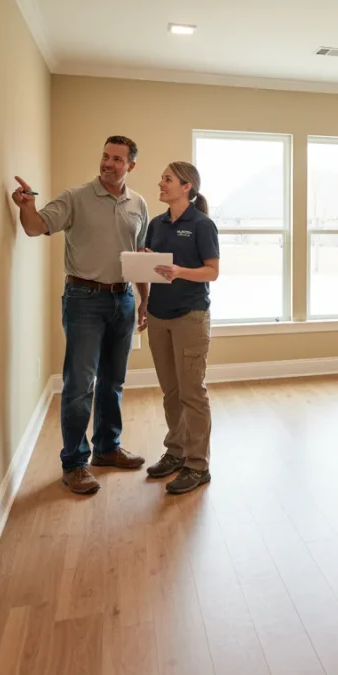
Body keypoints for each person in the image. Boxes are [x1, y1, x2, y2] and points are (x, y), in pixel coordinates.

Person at [12, 136, 149, 494]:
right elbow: (35, 226)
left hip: (123, 302)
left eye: (117, 159)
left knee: (113, 381)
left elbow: (139, 258)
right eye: (105, 156)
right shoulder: (75, 197)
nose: (108, 163)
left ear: (130, 166)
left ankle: (107, 448)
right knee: (78, 385)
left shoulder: (139, 204)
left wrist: (144, 300)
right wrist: (27, 205)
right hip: (84, 298)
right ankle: (74, 463)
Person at [144, 162, 220, 495]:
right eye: (162, 178)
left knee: (192, 393)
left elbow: (212, 272)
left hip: (190, 316)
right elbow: (153, 267)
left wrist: (178, 271)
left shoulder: (203, 225)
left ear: (186, 186)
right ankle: (175, 453)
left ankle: (197, 465)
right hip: (158, 316)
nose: (161, 183)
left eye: (167, 179)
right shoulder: (156, 223)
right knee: (171, 393)